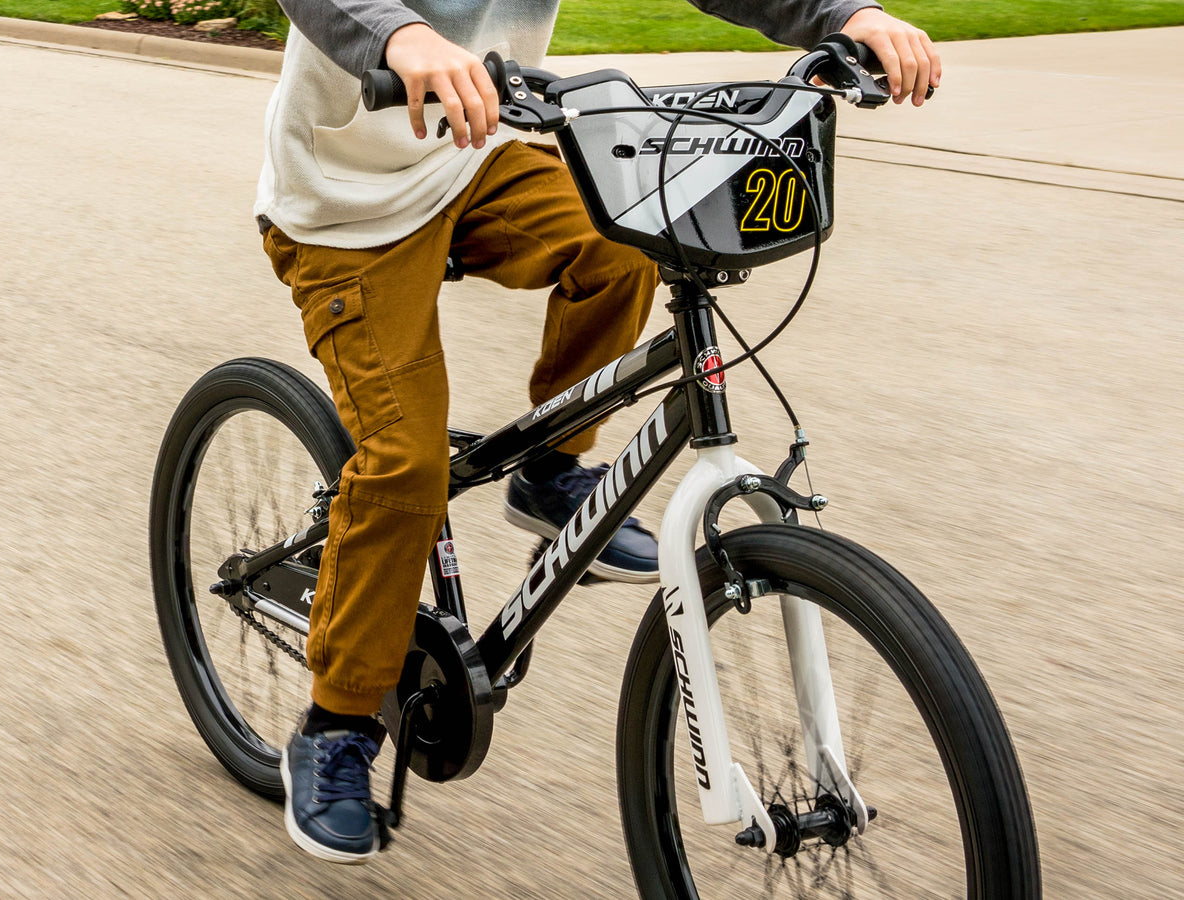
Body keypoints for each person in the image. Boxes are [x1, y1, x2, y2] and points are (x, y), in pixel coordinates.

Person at [254, 0, 941, 864]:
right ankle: (337, 724)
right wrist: (402, 35)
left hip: (471, 159)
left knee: (628, 242)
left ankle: (550, 471)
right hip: (344, 205)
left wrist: (846, 13)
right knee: (405, 466)